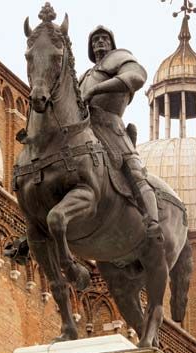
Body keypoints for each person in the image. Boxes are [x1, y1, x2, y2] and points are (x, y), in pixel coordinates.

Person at [79, 26, 163, 240]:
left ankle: (152, 221)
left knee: (134, 172)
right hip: (85, 127)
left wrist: (96, 90)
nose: (99, 42)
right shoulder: (84, 76)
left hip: (110, 126)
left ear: (111, 43)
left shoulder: (121, 59)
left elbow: (137, 77)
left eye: (104, 38)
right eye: (95, 39)